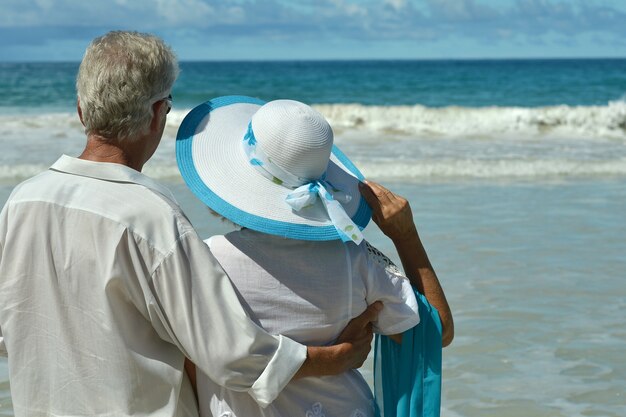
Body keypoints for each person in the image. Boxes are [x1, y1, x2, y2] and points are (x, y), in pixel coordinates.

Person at [0, 31, 381, 417]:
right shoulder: (149, 216)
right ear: (155, 114)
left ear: (82, 111)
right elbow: (231, 353)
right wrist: (333, 358)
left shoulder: (23, 199)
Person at [176, 96, 454, 417]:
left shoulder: (205, 260)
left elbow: (190, 359)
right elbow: (437, 333)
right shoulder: (356, 260)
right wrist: (406, 235)